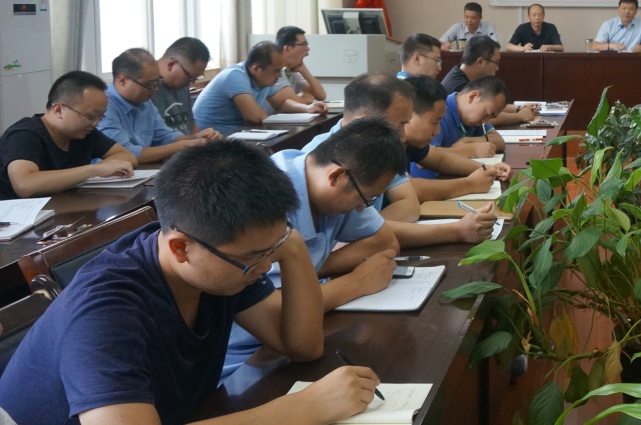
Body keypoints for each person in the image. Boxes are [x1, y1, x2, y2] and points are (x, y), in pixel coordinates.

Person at [0, 140, 380, 425]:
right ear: (180, 247)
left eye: (273, 247)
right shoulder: (105, 312)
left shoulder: (221, 260)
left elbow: (302, 345)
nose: (266, 267)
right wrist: (305, 408)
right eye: (256, 256)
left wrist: (292, 248)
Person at [221, 119, 403, 378]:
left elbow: (385, 242)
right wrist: (356, 283)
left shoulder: (333, 191)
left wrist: (304, 271)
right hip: (240, 359)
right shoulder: (266, 197)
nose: (362, 208)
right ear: (337, 176)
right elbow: (279, 314)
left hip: (286, 344)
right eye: (366, 199)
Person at [300, 74, 498, 246]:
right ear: (364, 121)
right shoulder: (318, 162)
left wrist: (369, 231)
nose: (403, 137)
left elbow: (409, 203)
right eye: (398, 126)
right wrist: (371, 233)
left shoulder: (379, 150)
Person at [0, 70, 137, 199]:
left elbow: (127, 156)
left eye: (100, 117)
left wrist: (102, 169)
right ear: (58, 110)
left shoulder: (83, 133)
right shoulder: (24, 135)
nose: (95, 124)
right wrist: (94, 170)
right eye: (90, 116)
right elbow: (25, 185)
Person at [400, 74, 513, 202]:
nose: (437, 131)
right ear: (407, 114)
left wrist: (487, 168)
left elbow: (440, 159)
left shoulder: (411, 142)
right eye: (435, 122)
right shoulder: (387, 143)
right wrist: (470, 184)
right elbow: (411, 189)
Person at [99, 48, 220, 163]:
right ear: (123, 81)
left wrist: (196, 138)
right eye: (150, 85)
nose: (155, 89)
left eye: (157, 82)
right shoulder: (104, 106)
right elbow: (125, 153)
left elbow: (165, 136)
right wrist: (182, 145)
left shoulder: (145, 102)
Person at [193, 41, 325, 135]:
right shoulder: (235, 76)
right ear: (256, 68)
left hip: (236, 133)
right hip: (212, 137)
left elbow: (280, 104)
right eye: (276, 71)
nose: (279, 76)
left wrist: (307, 108)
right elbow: (254, 117)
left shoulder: (262, 78)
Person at [440, 36, 536, 126]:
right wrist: (520, 116)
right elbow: (483, 119)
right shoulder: (457, 86)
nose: (497, 68)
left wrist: (519, 108)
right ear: (480, 62)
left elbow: (490, 104)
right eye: (496, 62)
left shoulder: (462, 76)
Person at [419, 75, 509, 167]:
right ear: (473, 97)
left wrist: (467, 141)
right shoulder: (441, 112)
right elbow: (426, 156)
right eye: (487, 114)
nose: (485, 121)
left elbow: (499, 141)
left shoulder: (474, 120)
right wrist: (472, 149)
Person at [151, 36, 211, 135]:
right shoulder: (146, 89)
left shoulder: (182, 85)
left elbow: (190, 125)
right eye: (190, 77)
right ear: (171, 65)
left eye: (196, 78)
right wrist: (194, 140)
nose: (191, 83)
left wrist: (205, 137)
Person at [275, 25, 327, 104]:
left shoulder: (291, 72)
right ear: (287, 48)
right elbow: (291, 102)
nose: (308, 49)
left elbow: (321, 96)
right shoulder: (276, 71)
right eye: (304, 44)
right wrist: (307, 100)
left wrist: (304, 70)